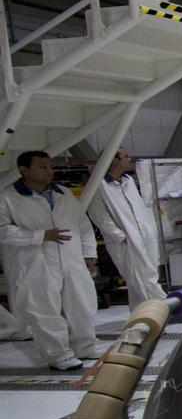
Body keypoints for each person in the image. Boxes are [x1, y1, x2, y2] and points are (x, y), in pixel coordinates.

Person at [0, 151, 99, 370]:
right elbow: (3, 230)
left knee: (82, 302)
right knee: (44, 308)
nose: (49, 171)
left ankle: (85, 346)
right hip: (35, 262)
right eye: (42, 167)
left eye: (50, 166)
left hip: (71, 258)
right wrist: (38, 236)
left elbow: (82, 225)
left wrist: (89, 253)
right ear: (24, 170)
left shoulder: (62, 193)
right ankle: (57, 354)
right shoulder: (8, 197)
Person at [87, 148, 165, 310]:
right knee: (143, 277)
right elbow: (100, 217)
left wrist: (149, 231)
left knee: (146, 275)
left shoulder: (128, 181)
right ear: (113, 160)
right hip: (125, 241)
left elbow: (139, 209)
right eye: (125, 156)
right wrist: (121, 236)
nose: (129, 159)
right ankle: (162, 310)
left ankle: (139, 317)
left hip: (145, 236)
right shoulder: (99, 185)